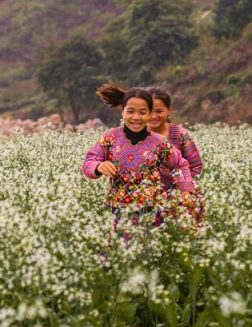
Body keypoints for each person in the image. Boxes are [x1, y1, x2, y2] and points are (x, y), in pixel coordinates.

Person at [82, 84, 195, 230]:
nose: (136, 117)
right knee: (119, 251)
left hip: (150, 213)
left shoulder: (159, 142)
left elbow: (180, 164)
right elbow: (89, 161)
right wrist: (98, 166)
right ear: (122, 112)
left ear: (149, 114)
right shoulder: (110, 137)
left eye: (142, 112)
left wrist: (186, 190)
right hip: (117, 212)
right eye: (130, 111)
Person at [147, 87, 205, 224]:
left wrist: (180, 184)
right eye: (149, 111)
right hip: (148, 192)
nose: (154, 116)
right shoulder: (137, 136)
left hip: (181, 191)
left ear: (169, 110)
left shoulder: (180, 134)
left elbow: (195, 165)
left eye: (159, 111)